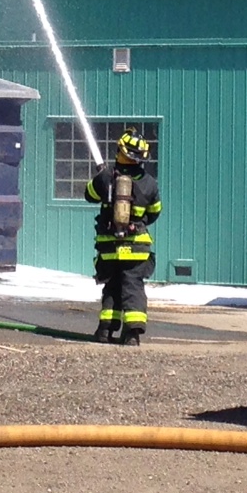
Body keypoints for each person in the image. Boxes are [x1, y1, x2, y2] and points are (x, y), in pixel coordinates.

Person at [85, 130, 161, 345]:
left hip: (109, 248)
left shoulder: (106, 177)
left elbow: (88, 195)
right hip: (136, 247)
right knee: (133, 286)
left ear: (121, 151)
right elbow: (154, 212)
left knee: (112, 286)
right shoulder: (150, 183)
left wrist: (101, 177)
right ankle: (132, 334)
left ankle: (105, 331)